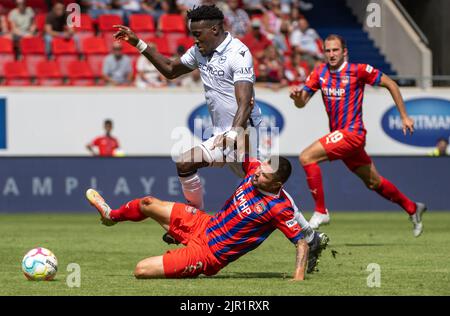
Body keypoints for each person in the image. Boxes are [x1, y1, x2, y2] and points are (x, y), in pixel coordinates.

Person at [112, 4, 315, 246]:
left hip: (245, 133)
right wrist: (139, 44)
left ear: (215, 29)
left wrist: (233, 133)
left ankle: (309, 236)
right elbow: (169, 70)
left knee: (264, 186)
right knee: (186, 163)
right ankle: (191, 220)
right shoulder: (200, 51)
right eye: (192, 35)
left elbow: (245, 103)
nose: (194, 40)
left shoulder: (238, 54)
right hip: (222, 134)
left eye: (198, 34)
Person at [86, 156, 330, 279]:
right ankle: (110, 216)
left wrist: (298, 279)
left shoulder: (279, 207)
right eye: (261, 166)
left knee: (141, 270)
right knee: (148, 203)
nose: (257, 173)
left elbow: (300, 242)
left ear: (276, 182)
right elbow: (240, 143)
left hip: (208, 254)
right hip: (204, 223)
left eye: (264, 173)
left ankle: (179, 249)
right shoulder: (254, 169)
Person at [289, 34, 427, 237]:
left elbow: (391, 84)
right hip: (342, 138)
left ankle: (321, 211)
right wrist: (296, 97)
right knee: (374, 182)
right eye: (327, 50)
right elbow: (301, 104)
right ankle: (413, 208)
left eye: (335, 50)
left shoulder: (358, 70)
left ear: (345, 52)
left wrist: (404, 116)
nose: (331, 54)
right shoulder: (320, 73)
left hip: (352, 134)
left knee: (306, 157)